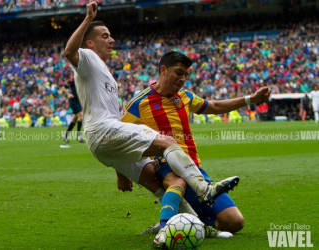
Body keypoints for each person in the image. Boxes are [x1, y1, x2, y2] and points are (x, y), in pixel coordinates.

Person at [64, 0, 238, 218]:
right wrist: (88, 18)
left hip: (102, 140)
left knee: (154, 180)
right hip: (102, 129)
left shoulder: (102, 70)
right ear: (89, 43)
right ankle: (204, 189)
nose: (112, 40)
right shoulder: (87, 58)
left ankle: (184, 224)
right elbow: (70, 52)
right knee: (168, 142)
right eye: (105, 36)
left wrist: (121, 168)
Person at [120, 51, 271, 247]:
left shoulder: (185, 97)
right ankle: (167, 228)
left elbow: (215, 106)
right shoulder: (138, 103)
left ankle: (185, 222)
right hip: (164, 163)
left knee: (235, 222)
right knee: (179, 181)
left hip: (195, 169)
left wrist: (251, 99)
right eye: (178, 72)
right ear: (163, 70)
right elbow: (117, 138)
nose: (182, 79)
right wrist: (121, 172)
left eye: (185, 75)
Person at [61, 77, 84, 143]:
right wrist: (68, 94)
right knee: (81, 117)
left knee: (74, 119)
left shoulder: (82, 80)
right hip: (73, 101)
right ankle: (78, 135)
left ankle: (66, 135)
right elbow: (63, 87)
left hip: (79, 101)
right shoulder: (73, 80)